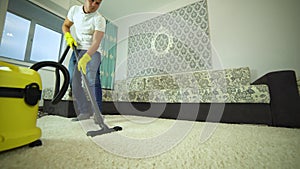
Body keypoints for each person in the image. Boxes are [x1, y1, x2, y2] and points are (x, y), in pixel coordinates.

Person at [62, 0, 106, 121]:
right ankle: (84, 112)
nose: (93, 5)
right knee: (73, 81)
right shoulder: (74, 10)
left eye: (97, 3)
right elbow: (66, 25)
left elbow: (96, 42)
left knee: (92, 81)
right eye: (92, 0)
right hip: (77, 49)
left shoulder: (99, 19)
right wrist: (68, 36)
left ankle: (98, 114)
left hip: (93, 52)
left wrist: (86, 57)